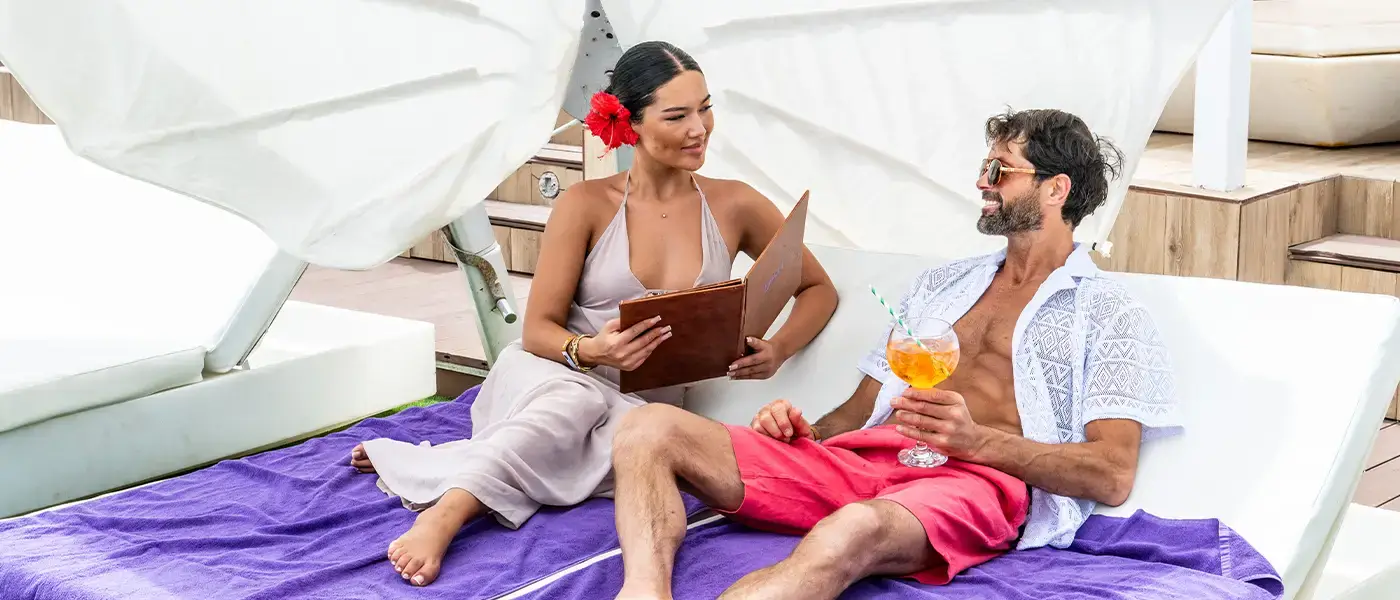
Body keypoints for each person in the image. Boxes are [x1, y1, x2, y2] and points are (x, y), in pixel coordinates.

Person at [608, 108, 1183, 599]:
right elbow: (856, 413)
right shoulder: (941, 285)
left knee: (852, 529)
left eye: (999, 171)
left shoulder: (1106, 313)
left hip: (974, 484)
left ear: (1055, 189)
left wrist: (978, 441)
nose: (983, 182)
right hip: (864, 461)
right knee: (647, 428)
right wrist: (801, 431)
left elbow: (1112, 475)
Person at [347, 41, 839, 587]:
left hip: (632, 411)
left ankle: (459, 464)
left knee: (640, 444)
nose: (699, 127)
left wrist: (777, 350)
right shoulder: (585, 203)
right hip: (553, 375)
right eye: (677, 115)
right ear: (628, 122)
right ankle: (448, 512)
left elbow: (818, 287)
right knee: (572, 399)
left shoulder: (736, 203)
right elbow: (536, 331)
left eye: (705, 107)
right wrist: (590, 350)